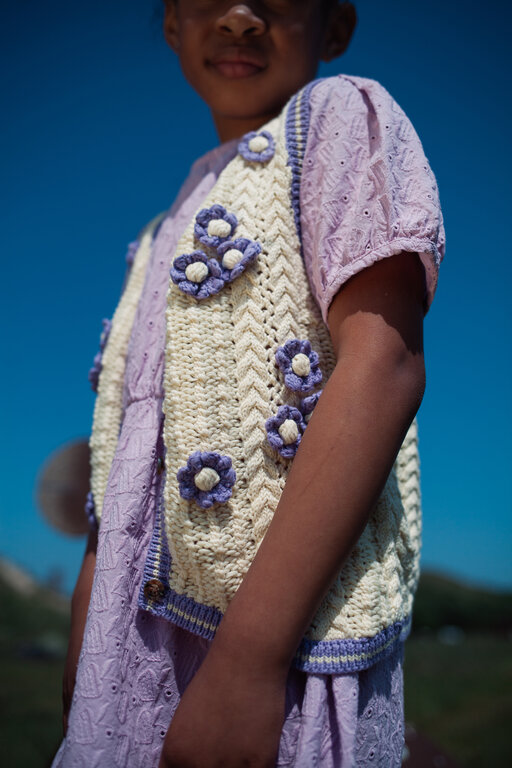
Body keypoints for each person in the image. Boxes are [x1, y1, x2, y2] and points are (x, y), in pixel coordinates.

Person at [54, 1, 445, 766]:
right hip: (128, 644)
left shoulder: (337, 121)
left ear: (335, 27)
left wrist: (247, 661)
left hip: (280, 644)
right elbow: (123, 464)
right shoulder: (160, 234)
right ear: (171, 26)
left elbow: (384, 362)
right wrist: (87, 643)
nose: (238, 18)